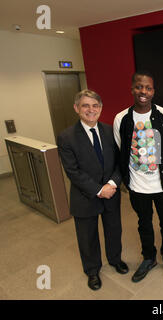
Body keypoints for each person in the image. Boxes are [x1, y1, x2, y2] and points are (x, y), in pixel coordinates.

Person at [57, 89, 128, 291]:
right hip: (85, 197)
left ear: (101, 108)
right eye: (86, 105)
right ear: (76, 108)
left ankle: (115, 260)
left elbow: (119, 163)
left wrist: (112, 185)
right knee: (87, 237)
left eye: (95, 105)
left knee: (114, 230)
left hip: (111, 194)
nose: (91, 110)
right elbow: (72, 171)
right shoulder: (66, 137)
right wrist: (99, 190)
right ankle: (92, 271)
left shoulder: (109, 131)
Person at [113, 71, 163, 283]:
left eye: (148, 88)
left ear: (153, 91)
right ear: (132, 89)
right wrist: (126, 181)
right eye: (139, 87)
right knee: (144, 223)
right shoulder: (121, 119)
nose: (144, 92)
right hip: (137, 186)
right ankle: (149, 257)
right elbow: (122, 151)